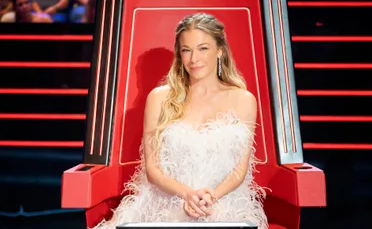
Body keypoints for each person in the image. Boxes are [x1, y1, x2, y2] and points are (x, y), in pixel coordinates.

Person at [94, 13, 268, 229]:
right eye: (186, 50)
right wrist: (187, 195)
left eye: (203, 48)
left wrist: (210, 198)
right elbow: (153, 169)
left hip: (222, 202)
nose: (194, 59)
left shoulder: (244, 100)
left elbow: (240, 170)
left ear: (220, 50)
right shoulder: (159, 98)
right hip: (166, 201)